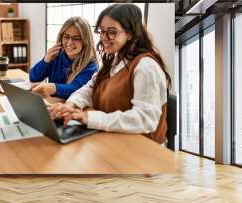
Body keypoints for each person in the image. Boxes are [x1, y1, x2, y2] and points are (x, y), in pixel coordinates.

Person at [49, 3, 172, 144]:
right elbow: (89, 89)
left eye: (112, 32)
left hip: (143, 150)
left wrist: (89, 118)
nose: (104, 37)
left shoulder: (146, 67)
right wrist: (70, 105)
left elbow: (145, 120)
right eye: (101, 31)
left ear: (130, 33)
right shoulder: (114, 61)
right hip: (114, 140)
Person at [29, 17, 98, 99]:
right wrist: (45, 60)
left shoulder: (91, 66)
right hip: (53, 104)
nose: (69, 43)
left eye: (76, 38)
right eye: (66, 37)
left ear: (85, 41)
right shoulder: (56, 56)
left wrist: (53, 88)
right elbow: (33, 77)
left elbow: (76, 89)